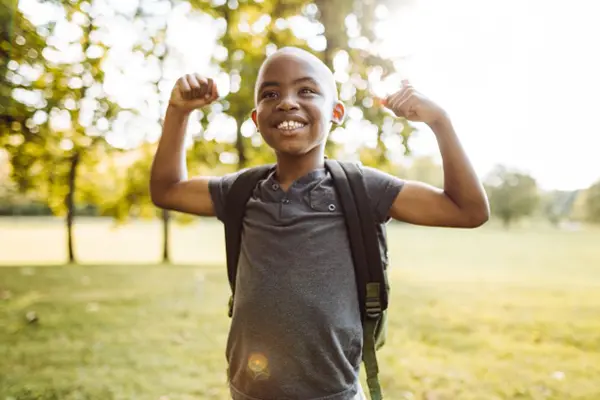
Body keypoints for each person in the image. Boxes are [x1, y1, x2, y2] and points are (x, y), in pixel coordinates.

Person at [150, 46, 489, 400]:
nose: (287, 102)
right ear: (255, 118)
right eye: (270, 94)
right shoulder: (242, 191)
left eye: (306, 91)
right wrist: (178, 112)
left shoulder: (363, 189)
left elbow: (467, 210)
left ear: (336, 112)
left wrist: (440, 122)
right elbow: (167, 190)